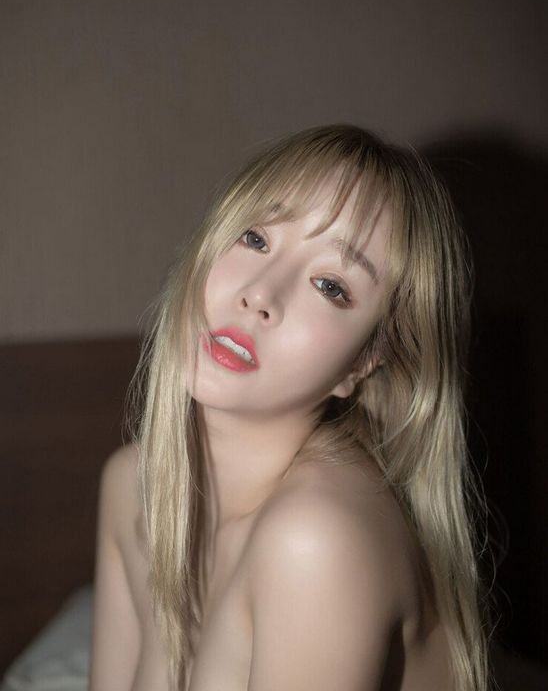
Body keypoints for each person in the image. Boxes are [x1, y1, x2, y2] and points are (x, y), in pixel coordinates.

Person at [89, 125, 491, 691]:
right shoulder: (131, 485)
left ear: (363, 362)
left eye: (330, 285)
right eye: (255, 238)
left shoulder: (316, 539)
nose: (260, 294)